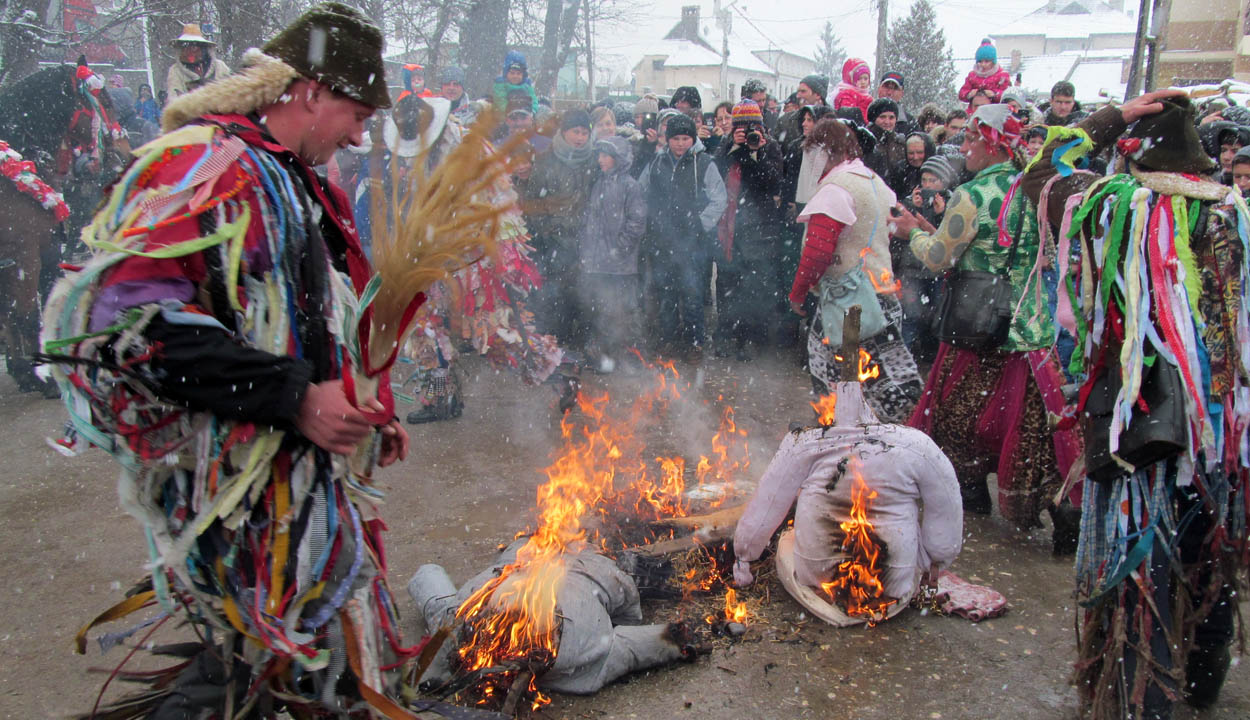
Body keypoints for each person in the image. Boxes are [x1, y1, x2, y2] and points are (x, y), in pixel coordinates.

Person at [46, 4, 413, 716]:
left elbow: (306, 315)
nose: (363, 132)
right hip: (243, 489)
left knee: (316, 646)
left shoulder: (293, 177)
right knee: (265, 657)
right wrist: (295, 396)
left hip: (298, 478)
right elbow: (126, 327)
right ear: (310, 92)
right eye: (358, 110)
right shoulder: (207, 166)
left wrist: (361, 404)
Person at [1021, 89, 1249, 720]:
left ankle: (1137, 697)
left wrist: (1111, 118)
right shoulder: (1233, 212)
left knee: (1137, 554)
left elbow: (1042, 173)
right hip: (1221, 417)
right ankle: (1203, 676)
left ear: (1137, 157)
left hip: (1140, 413)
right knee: (1207, 543)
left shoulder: (1112, 203)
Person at [892, 104, 1080, 551]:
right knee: (1037, 428)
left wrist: (910, 234)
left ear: (995, 145)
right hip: (1031, 328)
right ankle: (1063, 509)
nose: (965, 149)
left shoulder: (972, 195)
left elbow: (940, 257)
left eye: (974, 141)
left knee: (958, 417)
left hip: (980, 326)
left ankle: (969, 492)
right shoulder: (1036, 190)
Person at [733, 382, 962, 622]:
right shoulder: (916, 444)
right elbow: (947, 508)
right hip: (893, 583)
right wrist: (933, 564)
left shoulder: (805, 442)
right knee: (907, 527)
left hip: (819, 577)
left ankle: (828, 595)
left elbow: (766, 507)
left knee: (788, 537)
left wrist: (743, 561)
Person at [789, 118, 922, 423]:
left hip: (849, 304)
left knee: (838, 375)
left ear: (824, 152)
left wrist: (798, 293)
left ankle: (840, 435)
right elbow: (892, 228)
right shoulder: (875, 181)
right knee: (881, 377)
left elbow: (818, 251)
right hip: (882, 295)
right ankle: (883, 437)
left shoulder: (836, 188)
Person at [639, 113, 727, 362]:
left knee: (692, 294)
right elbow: (641, 190)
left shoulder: (704, 163)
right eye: (675, 138)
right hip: (662, 241)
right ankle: (668, 340)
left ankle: (695, 342)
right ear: (668, 139)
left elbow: (719, 198)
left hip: (692, 242)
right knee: (666, 294)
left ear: (693, 138)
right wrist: (652, 221)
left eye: (685, 138)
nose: (680, 144)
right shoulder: (656, 162)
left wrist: (700, 224)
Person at [712, 99, 784, 360]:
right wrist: (733, 145)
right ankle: (725, 334)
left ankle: (748, 338)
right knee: (727, 283)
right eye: (741, 125)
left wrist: (757, 153)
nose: (747, 131)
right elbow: (715, 171)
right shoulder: (727, 145)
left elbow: (774, 183)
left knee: (752, 286)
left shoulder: (770, 146)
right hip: (729, 228)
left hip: (758, 229)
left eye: (752, 125)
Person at [523, 108, 598, 347]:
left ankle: (581, 344)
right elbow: (533, 202)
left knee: (585, 295)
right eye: (575, 131)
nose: (580, 137)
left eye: (585, 132)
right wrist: (547, 231)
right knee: (555, 297)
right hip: (553, 241)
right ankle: (555, 344)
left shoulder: (594, 160)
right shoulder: (546, 160)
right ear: (564, 132)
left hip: (584, 240)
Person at [578, 135, 647, 373]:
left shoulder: (630, 186)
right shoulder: (598, 184)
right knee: (602, 310)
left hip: (621, 266)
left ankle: (629, 356)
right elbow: (590, 221)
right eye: (599, 155)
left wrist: (620, 248)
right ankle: (606, 357)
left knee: (624, 311)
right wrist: (588, 252)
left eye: (605, 155)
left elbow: (637, 222)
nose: (600, 160)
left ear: (618, 159)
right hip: (598, 264)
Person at [164, 23, 231, 97]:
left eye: (194, 48)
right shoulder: (175, 71)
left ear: (203, 49)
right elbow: (174, 100)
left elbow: (231, 94)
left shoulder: (220, 67)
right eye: (186, 48)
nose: (190, 52)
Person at [958, 39, 1010, 107]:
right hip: (974, 110)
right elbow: (962, 93)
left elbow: (1007, 96)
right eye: (980, 62)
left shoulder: (1002, 76)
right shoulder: (972, 76)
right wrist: (969, 94)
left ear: (993, 62)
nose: (983, 64)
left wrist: (994, 94)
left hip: (994, 110)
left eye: (986, 61)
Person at [864, 98, 905, 180]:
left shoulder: (901, 143)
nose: (887, 122)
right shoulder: (865, 141)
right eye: (882, 117)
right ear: (874, 119)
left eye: (891, 118)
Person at [493, 50, 538, 114]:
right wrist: (512, 113)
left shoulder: (527, 86)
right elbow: (501, 102)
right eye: (512, 73)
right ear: (506, 73)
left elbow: (534, 101)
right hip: (506, 117)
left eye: (518, 73)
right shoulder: (501, 85)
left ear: (523, 75)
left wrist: (532, 111)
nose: (515, 76)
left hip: (525, 117)